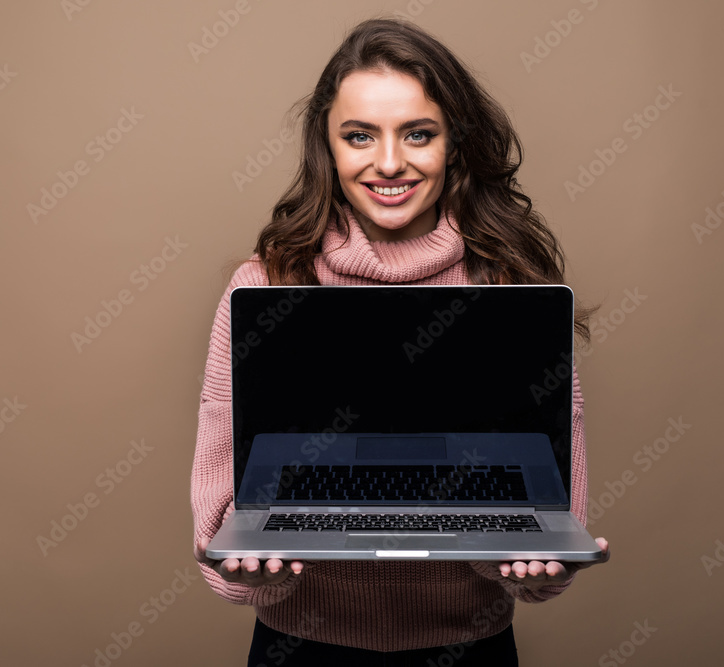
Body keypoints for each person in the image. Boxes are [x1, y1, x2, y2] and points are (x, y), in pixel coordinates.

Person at [192, 17, 610, 666]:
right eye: (360, 136)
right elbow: (221, 520)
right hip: (298, 648)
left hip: (470, 648)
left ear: (456, 144)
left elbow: (555, 513)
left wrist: (528, 569)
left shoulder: (509, 286)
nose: (389, 163)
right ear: (327, 148)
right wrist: (249, 572)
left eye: (418, 134)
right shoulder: (267, 284)